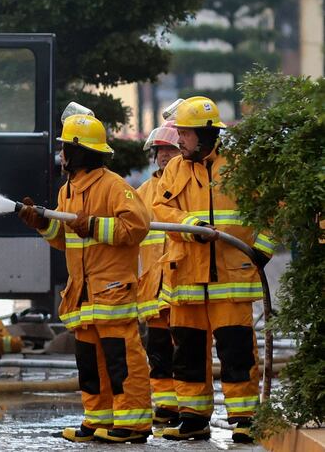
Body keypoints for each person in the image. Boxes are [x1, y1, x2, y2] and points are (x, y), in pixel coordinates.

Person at [18, 109, 152, 444]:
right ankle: (97, 420)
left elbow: (137, 226)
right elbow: (66, 239)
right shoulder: (68, 191)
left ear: (78, 152)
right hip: (84, 296)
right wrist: (43, 225)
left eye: (65, 148)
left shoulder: (113, 186)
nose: (61, 154)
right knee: (90, 364)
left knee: (122, 361)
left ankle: (133, 424)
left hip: (112, 292)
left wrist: (93, 225)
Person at [151, 97, 275, 444]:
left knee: (236, 352)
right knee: (187, 353)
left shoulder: (240, 165)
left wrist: (263, 249)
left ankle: (245, 419)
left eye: (185, 134)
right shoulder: (175, 169)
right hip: (187, 278)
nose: (179, 141)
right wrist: (189, 224)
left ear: (205, 134)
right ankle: (193, 418)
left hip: (231, 278)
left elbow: (273, 207)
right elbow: (159, 208)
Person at [135, 121, 182, 428]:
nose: (164, 156)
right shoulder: (141, 194)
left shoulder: (189, 187)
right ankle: (165, 405)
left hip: (183, 287)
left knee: (186, 350)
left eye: (171, 149)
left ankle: (189, 405)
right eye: (160, 150)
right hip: (153, 290)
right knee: (158, 350)